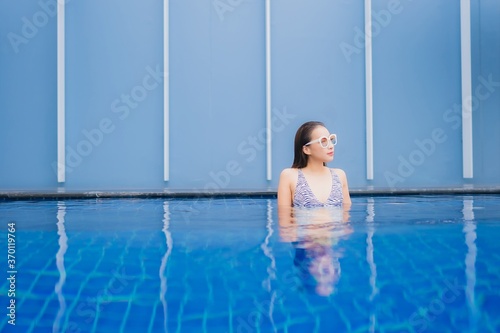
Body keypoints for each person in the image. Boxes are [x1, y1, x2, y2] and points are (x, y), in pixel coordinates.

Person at [277, 121, 351, 209]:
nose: (331, 146)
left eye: (331, 140)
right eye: (323, 141)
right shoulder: (289, 176)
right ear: (306, 149)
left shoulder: (340, 175)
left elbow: (346, 216)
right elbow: (285, 218)